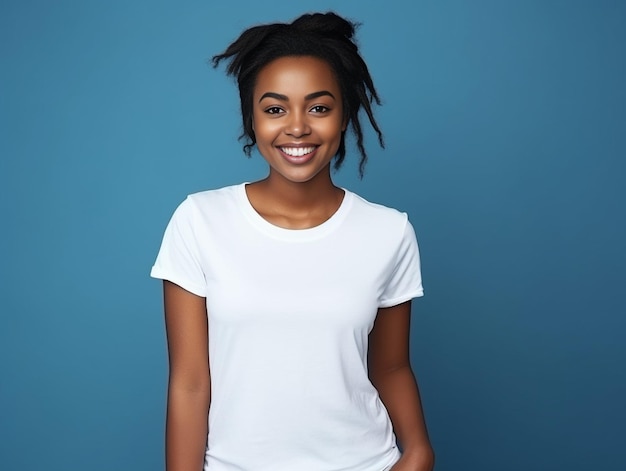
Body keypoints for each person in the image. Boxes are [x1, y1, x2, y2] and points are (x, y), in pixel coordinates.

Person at [151, 11, 434, 471]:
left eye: (319, 107)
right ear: (253, 118)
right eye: (275, 108)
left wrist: (419, 450)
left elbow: (391, 367)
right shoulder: (200, 220)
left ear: (345, 115)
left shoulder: (389, 231)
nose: (297, 127)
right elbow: (188, 382)